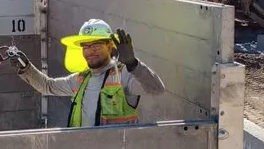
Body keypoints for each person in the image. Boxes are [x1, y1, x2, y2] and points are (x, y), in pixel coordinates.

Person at [13, 19, 165, 127]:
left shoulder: (123, 75)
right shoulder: (81, 79)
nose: (90, 51)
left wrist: (133, 63)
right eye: (86, 46)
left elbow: (157, 89)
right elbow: (47, 86)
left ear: (110, 46)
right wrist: (26, 66)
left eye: (96, 45)